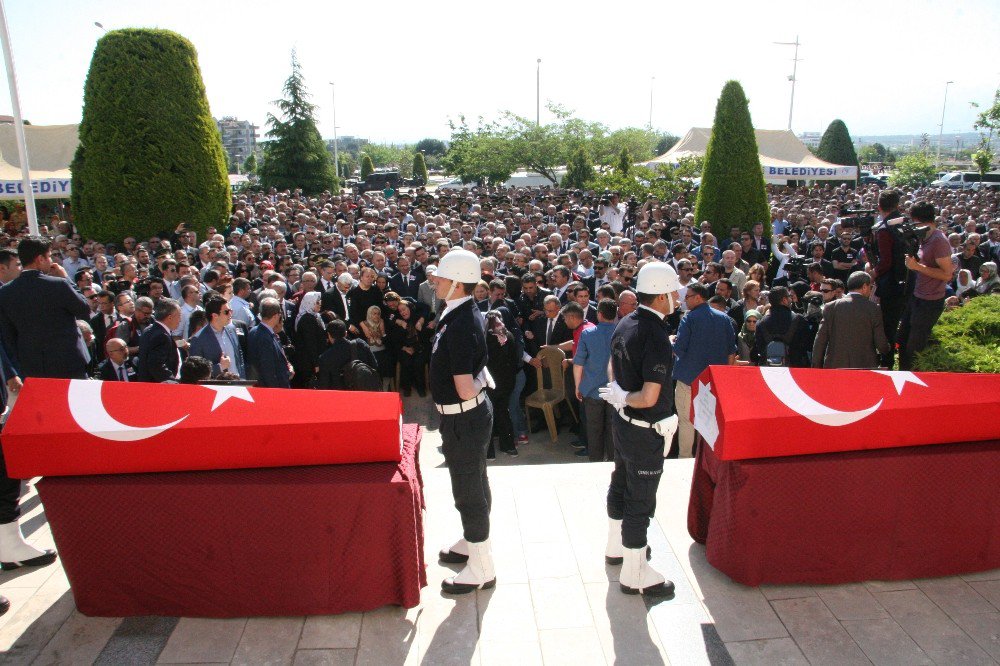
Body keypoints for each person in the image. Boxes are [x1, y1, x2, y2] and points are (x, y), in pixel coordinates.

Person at [597, 262, 679, 597]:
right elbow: (648, 397)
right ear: (660, 296)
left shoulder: (626, 322)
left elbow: (611, 367)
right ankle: (635, 573)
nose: (676, 297)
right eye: (672, 292)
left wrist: (618, 394)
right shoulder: (656, 335)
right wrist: (627, 395)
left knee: (621, 482)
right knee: (640, 500)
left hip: (623, 423)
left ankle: (616, 548)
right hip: (644, 428)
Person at [431, 249, 496, 595]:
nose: (435, 281)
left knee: (468, 491)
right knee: (474, 482)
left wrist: (477, 384)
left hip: (464, 418)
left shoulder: (461, 322)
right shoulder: (457, 312)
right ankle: (472, 542)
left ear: (457, 283)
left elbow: (464, 386)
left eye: (441, 277)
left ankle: (481, 566)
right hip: (465, 417)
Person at [0, 238, 90, 379]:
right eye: (49, 256)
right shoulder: (59, 285)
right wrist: (67, 279)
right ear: (40, 259)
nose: (51, 261)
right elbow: (84, 309)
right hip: (68, 363)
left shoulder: (5, 292)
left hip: (31, 367)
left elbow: (8, 336)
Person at [671, 282, 737, 458]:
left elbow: (679, 349)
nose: (685, 301)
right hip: (713, 381)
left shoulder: (689, 318)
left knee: (686, 422)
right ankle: (707, 463)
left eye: (688, 297)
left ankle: (685, 459)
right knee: (708, 424)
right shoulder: (724, 318)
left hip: (688, 380)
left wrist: (671, 342)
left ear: (698, 297)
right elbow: (731, 352)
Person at [898, 201, 954, 371]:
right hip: (917, 296)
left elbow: (947, 274)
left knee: (915, 347)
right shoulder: (925, 238)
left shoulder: (939, 241)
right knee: (902, 339)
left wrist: (917, 267)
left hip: (929, 302)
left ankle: (913, 381)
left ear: (921, 221)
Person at [812, 271, 890, 369]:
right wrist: (887, 349)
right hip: (865, 368)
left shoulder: (831, 307)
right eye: (871, 286)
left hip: (835, 367)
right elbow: (881, 344)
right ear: (865, 286)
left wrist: (815, 367)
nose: (871, 290)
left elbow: (820, 341)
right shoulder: (874, 308)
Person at [573, 298, 618, 462]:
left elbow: (578, 363)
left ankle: (596, 463)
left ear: (599, 314)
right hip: (616, 392)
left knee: (594, 430)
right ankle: (614, 463)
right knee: (613, 430)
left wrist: (577, 386)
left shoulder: (588, 333)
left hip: (592, 391)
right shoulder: (621, 332)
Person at [872, 190, 907, 367]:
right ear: (897, 205)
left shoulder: (884, 229)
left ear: (879, 207)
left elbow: (886, 261)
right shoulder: (905, 223)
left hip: (891, 285)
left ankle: (887, 362)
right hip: (909, 280)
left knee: (889, 326)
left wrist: (874, 273)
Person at [484, 310, 519, 458]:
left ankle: (489, 452)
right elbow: (515, 361)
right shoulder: (509, 336)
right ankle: (509, 447)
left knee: (488, 415)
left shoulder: (484, 338)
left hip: (489, 384)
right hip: (506, 383)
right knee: (503, 413)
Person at [189, 297, 246, 378]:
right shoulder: (198, 339)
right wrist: (219, 367)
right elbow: (196, 371)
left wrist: (243, 377)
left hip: (238, 384)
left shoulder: (232, 329)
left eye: (231, 311)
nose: (230, 314)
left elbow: (239, 354)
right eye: (226, 312)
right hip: (218, 387)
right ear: (215, 315)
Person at [754, 286, 811, 367]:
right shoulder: (800, 320)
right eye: (789, 297)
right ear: (784, 300)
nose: (791, 299)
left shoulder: (760, 323)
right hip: (795, 371)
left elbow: (756, 351)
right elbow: (808, 345)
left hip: (769, 372)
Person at [315, 319, 378, 390]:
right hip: (363, 392)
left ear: (329, 335)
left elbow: (324, 385)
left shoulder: (324, 357)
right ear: (346, 333)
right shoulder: (361, 345)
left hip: (340, 397)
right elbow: (374, 365)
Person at [247, 298, 292, 388]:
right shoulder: (264, 337)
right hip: (272, 390)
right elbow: (267, 369)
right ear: (275, 316)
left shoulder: (256, 331)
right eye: (280, 314)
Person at [135, 298, 183, 382]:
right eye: (179, 316)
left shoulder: (149, 329)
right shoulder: (161, 336)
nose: (180, 320)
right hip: (157, 388)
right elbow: (156, 365)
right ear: (170, 317)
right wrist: (172, 382)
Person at [292, 291, 325, 387]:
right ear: (310, 303)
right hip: (308, 362)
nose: (320, 304)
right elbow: (310, 343)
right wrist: (316, 364)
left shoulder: (314, 316)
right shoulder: (307, 319)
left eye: (320, 302)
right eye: (317, 302)